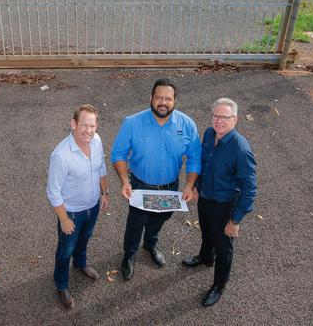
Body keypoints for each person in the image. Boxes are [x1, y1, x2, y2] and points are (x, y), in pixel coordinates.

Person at [111, 78, 201, 280]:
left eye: (168, 98)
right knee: (136, 222)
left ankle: (150, 245)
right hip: (140, 186)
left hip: (170, 187)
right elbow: (118, 154)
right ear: (151, 98)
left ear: (175, 100)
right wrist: (125, 181)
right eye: (159, 97)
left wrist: (189, 185)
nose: (163, 102)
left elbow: (195, 157)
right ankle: (129, 255)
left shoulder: (187, 125)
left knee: (160, 218)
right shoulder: (132, 123)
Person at [183, 97, 257, 307]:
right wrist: (197, 186)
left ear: (235, 120)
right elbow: (204, 164)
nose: (219, 121)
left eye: (224, 117)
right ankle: (205, 258)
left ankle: (219, 285)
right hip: (205, 198)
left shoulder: (240, 150)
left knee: (224, 249)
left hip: (225, 206)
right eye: (216, 116)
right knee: (207, 233)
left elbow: (250, 189)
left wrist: (235, 220)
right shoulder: (208, 134)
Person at [46, 104, 110, 310]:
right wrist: (64, 220)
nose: (89, 130)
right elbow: (53, 192)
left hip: (93, 206)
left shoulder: (97, 141)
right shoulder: (61, 155)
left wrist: (104, 192)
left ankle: (81, 263)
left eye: (92, 125)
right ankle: (61, 284)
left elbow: (101, 168)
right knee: (66, 250)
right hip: (72, 212)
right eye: (84, 125)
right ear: (73, 124)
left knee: (85, 238)